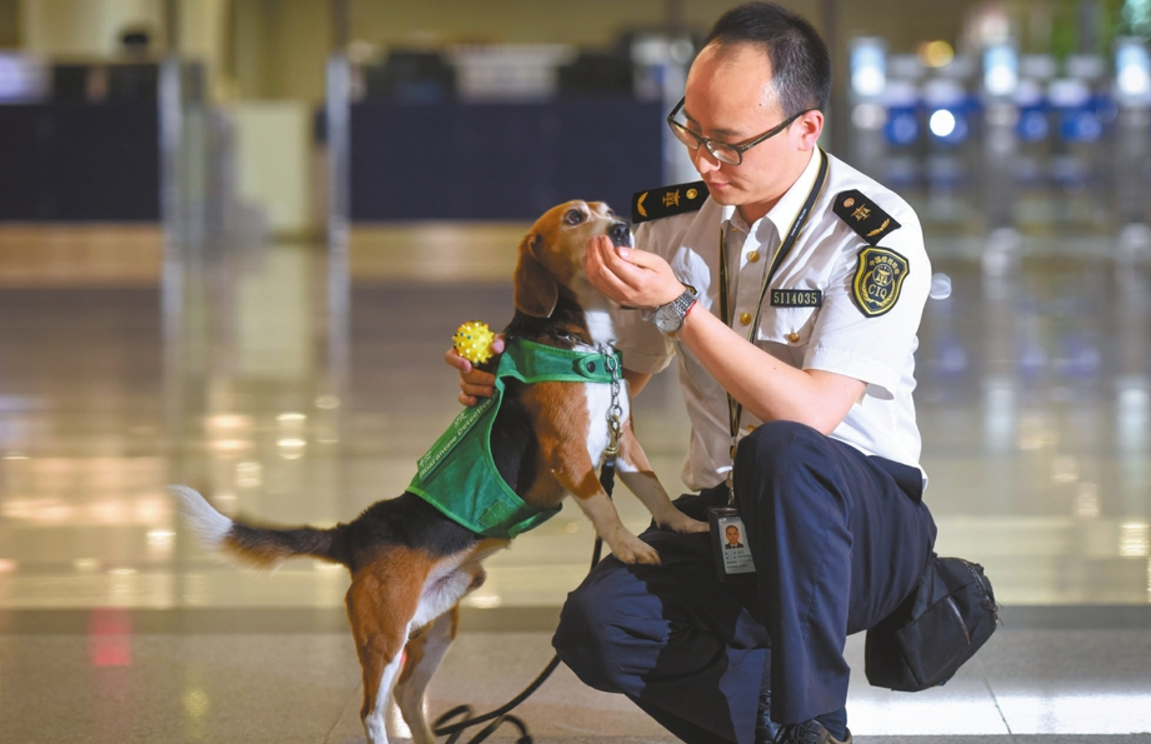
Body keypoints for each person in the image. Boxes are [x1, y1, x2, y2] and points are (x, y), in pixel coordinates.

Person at [448, 4, 937, 744]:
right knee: (599, 628)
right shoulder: (673, 221)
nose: (704, 162)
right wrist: (514, 387)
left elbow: (810, 417)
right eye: (693, 131)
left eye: (729, 145)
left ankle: (813, 723)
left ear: (806, 128)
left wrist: (681, 308)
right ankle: (775, 731)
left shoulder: (872, 232)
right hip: (727, 512)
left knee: (781, 447)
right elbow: (611, 392)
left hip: (857, 525)